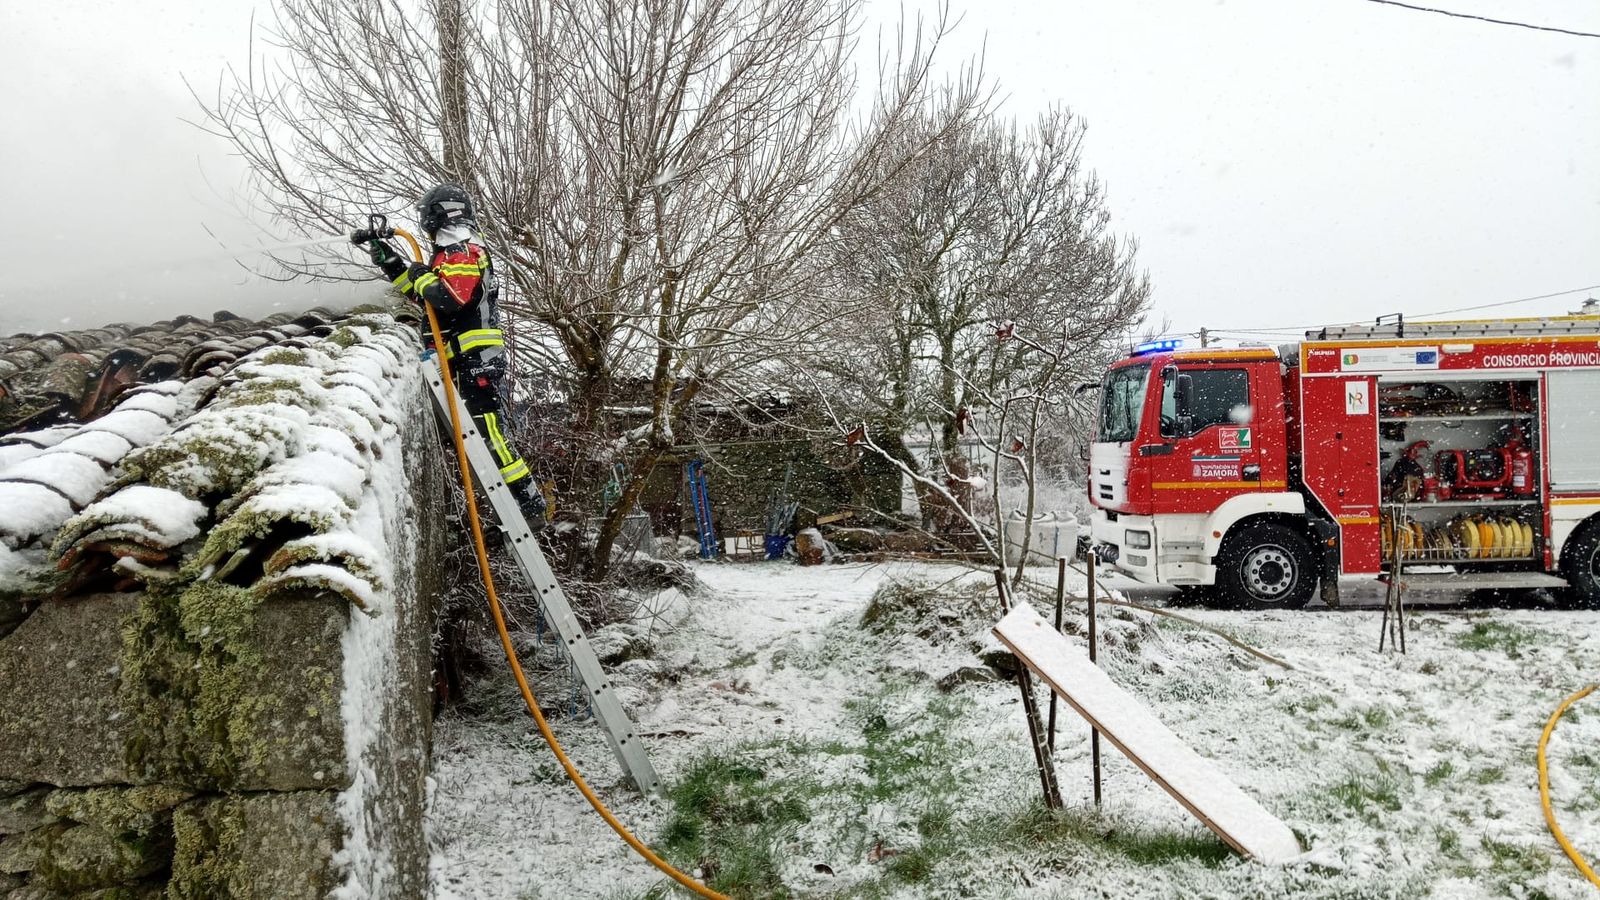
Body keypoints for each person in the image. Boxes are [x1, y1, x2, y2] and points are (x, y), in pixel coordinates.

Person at [362, 183, 547, 531]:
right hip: (462, 360)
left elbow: (449, 299)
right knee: (474, 436)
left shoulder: (463, 251)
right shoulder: (450, 254)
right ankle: (513, 507)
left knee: (490, 434)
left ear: (440, 214)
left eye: (426, 216)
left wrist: (420, 276)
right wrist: (387, 257)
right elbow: (425, 297)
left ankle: (529, 506)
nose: (424, 223)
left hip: (475, 359)